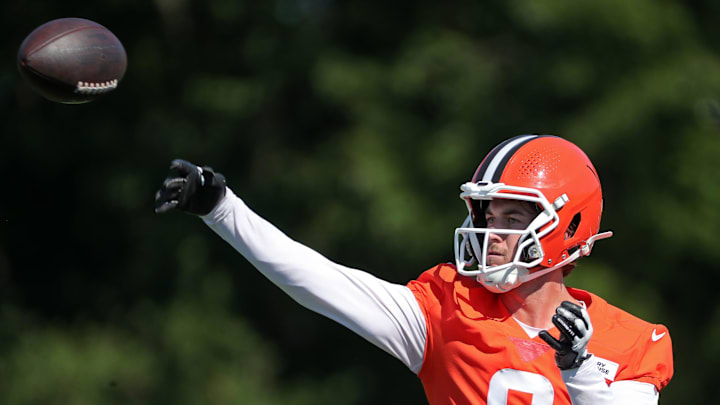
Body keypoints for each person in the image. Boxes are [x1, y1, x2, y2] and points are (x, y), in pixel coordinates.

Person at [155, 134, 673, 404]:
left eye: (513, 217)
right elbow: (317, 280)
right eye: (487, 216)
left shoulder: (627, 342)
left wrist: (578, 369)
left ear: (570, 224)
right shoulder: (446, 309)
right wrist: (222, 209)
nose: (491, 235)